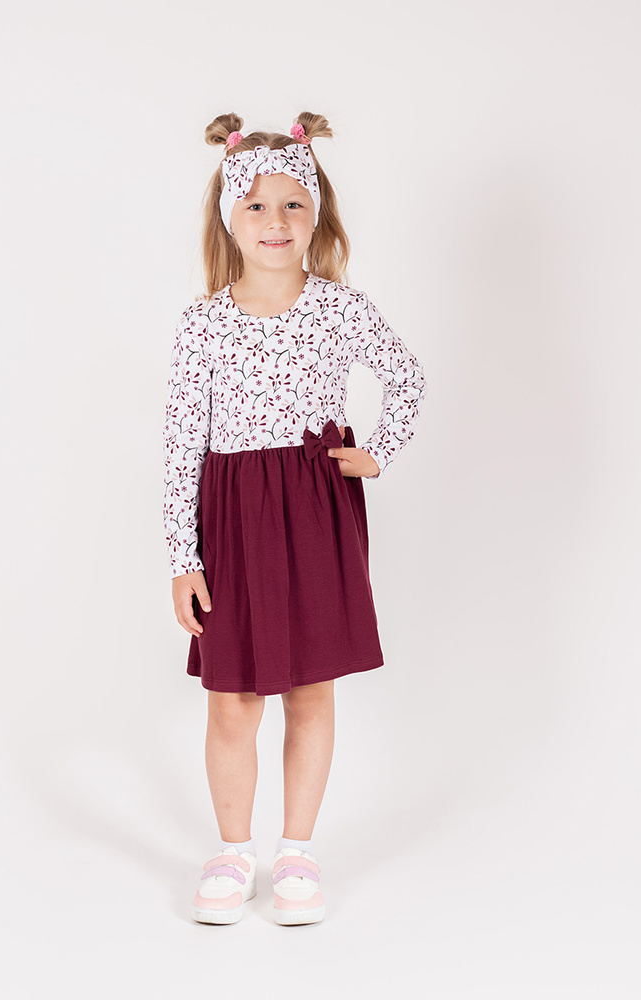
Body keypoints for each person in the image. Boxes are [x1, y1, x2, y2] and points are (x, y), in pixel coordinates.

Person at [162, 111, 426, 925]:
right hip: (233, 521)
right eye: (256, 205)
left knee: (311, 691)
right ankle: (232, 852)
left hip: (315, 515)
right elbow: (181, 444)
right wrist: (183, 557)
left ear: (317, 215)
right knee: (234, 699)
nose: (274, 222)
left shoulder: (341, 309)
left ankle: (297, 855)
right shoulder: (203, 323)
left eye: (292, 205)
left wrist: (377, 452)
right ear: (228, 217)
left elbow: (406, 377)